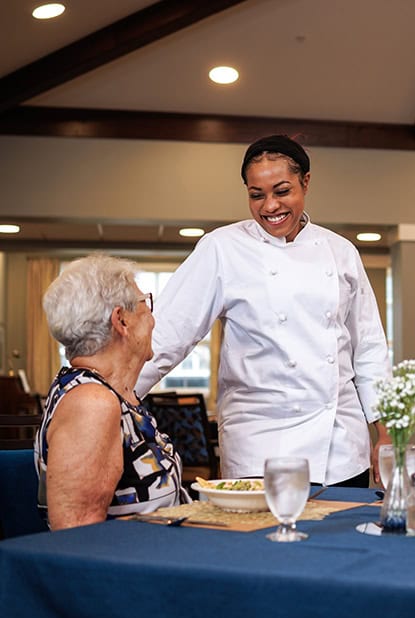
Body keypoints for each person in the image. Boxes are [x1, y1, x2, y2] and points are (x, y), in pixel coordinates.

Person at [136, 135, 391, 487]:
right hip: (260, 444)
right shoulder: (222, 248)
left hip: (341, 448)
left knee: (342, 540)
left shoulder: (340, 251)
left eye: (282, 191)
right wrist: (112, 395)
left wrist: (386, 433)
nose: (270, 206)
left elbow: (369, 348)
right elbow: (168, 334)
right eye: (257, 195)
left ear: (306, 182)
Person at [37, 255, 188, 529]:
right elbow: (78, 534)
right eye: (146, 304)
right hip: (138, 567)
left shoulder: (113, 395)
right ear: (121, 321)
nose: (153, 319)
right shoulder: (92, 403)